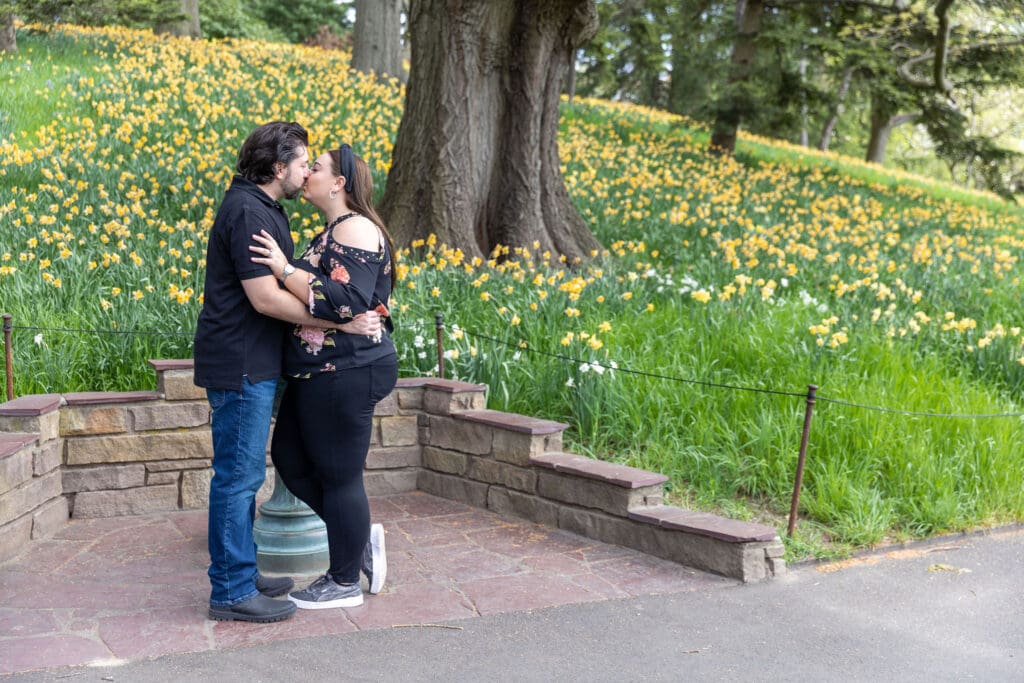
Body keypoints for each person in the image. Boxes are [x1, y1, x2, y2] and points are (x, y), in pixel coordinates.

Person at [194, 123, 380, 624]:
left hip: (256, 361)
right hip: (241, 362)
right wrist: (340, 320)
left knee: (246, 474)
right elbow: (264, 297)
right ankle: (232, 591)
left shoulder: (264, 209)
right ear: (278, 168)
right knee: (238, 478)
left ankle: (242, 571)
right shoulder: (250, 212)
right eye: (301, 163)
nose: (305, 171)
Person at [249, 142, 398, 609]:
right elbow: (341, 299)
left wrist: (283, 268)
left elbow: (346, 301)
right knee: (291, 460)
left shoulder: (355, 228)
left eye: (316, 167)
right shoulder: (332, 230)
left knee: (339, 476)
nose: (306, 172)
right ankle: (354, 535)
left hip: (348, 369)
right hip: (319, 371)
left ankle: (344, 581)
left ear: (339, 183)